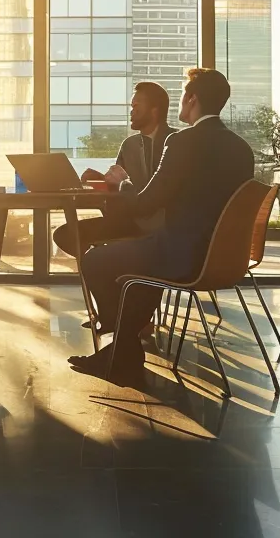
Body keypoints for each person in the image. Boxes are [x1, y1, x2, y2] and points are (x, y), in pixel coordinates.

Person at [67, 68, 254, 385]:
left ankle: (120, 346)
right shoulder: (241, 148)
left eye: (184, 95)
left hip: (182, 255)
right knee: (134, 271)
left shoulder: (183, 142)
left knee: (95, 260)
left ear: (192, 98)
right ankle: (123, 349)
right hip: (224, 260)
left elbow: (147, 203)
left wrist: (122, 184)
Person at [52, 81, 174, 259]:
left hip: (164, 225)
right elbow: (118, 188)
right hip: (130, 221)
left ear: (154, 110)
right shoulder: (129, 145)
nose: (131, 111)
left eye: (136, 106)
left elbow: (160, 191)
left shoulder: (176, 142)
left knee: (111, 253)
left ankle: (110, 265)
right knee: (65, 234)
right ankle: (101, 264)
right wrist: (101, 180)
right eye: (131, 106)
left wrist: (123, 184)